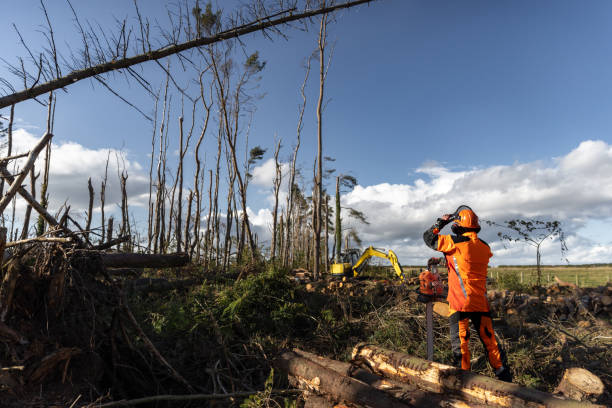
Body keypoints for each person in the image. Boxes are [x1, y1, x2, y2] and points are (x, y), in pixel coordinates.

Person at [423, 206, 512, 382]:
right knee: (490, 342)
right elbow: (466, 260)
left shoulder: (453, 242)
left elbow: (428, 237)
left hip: (460, 303)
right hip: (480, 301)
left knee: (461, 345)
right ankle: (505, 379)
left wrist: (442, 221)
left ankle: (464, 381)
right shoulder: (484, 246)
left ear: (457, 225)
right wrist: (444, 260)